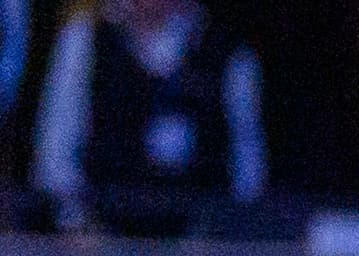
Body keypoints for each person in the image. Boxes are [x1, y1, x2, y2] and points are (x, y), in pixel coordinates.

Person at [31, 0, 268, 234]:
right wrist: (75, 224)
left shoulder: (228, 52)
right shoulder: (86, 40)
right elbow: (55, 152)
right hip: (103, 236)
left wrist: (230, 232)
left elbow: (247, 165)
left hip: (200, 241)